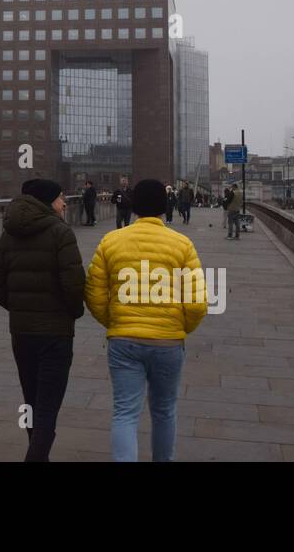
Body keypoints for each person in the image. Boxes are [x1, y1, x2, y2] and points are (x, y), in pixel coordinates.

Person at [86, 179, 207, 462]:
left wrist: (114, 322)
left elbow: (93, 293)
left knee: (125, 412)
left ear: (134, 206)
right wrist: (180, 328)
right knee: (164, 410)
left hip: (123, 341)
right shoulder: (182, 244)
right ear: (165, 207)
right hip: (168, 342)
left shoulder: (111, 241)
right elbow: (198, 303)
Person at [0, 178, 86, 461]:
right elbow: (74, 285)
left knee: (31, 400)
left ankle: (38, 454)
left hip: (22, 333)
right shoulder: (60, 232)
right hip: (55, 335)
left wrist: (19, 308)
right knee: (48, 405)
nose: (64, 203)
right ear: (47, 202)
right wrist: (73, 312)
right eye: (60, 198)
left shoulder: (9, 233)